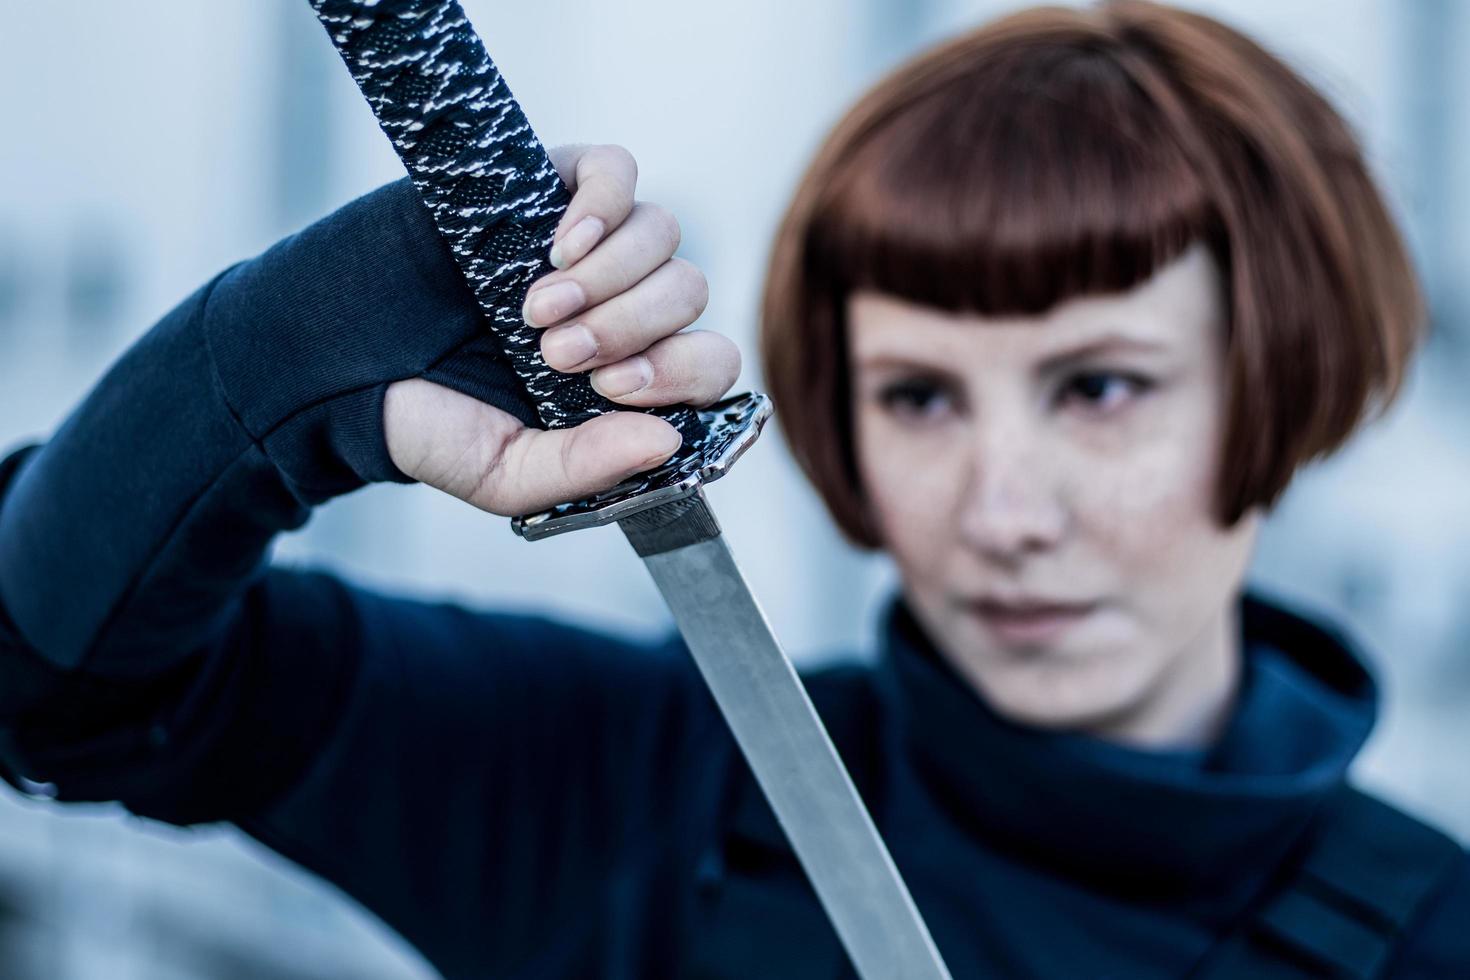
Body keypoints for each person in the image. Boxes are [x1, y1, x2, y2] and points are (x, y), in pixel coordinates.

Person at [0, 0, 1465, 976]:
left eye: (1100, 389)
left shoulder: (1431, 932)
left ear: (1277, 385)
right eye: (918, 397)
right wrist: (283, 357)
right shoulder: (636, 785)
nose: (1005, 512)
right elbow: (56, 685)